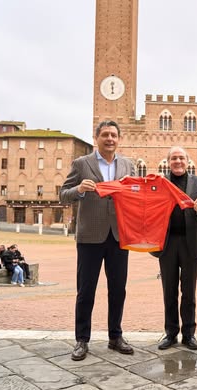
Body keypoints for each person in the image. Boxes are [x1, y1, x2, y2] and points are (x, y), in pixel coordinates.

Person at [60, 120, 136, 361]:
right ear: (97, 138)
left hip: (118, 236)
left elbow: (134, 195)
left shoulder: (128, 165)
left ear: (119, 139)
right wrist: (80, 189)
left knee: (118, 290)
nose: (110, 138)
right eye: (105, 135)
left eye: (114, 135)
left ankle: (115, 336)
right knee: (86, 291)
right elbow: (63, 194)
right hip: (90, 236)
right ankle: (82, 340)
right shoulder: (82, 164)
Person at [156, 147, 197, 351]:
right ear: (168, 162)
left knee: (189, 291)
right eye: (173, 158)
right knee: (169, 290)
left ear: (188, 161)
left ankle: (189, 334)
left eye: (181, 158)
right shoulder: (161, 183)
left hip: (190, 243)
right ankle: (170, 333)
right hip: (167, 243)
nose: (178, 161)